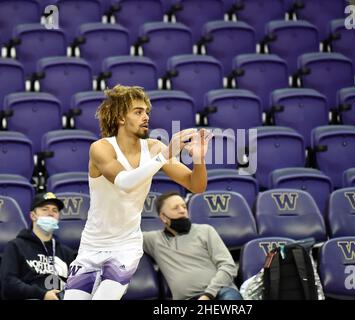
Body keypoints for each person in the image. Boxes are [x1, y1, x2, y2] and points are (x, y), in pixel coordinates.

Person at [64, 85, 212, 300]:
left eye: (146, 112)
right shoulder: (101, 148)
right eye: (138, 111)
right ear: (121, 117)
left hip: (126, 245)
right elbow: (124, 182)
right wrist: (166, 154)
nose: (146, 117)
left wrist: (199, 159)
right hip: (92, 244)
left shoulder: (154, 148)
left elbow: (196, 185)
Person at [143, 192, 243, 300]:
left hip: (220, 292)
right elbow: (124, 235)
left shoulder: (205, 230)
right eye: (175, 208)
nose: (182, 210)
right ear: (163, 217)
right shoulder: (154, 240)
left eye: (184, 206)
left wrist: (208, 294)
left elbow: (228, 266)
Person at [0, 192, 76, 300]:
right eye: (45, 209)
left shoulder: (67, 253)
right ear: (33, 215)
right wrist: (42, 295)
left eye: (55, 210)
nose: (51, 213)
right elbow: (8, 284)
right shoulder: (15, 246)